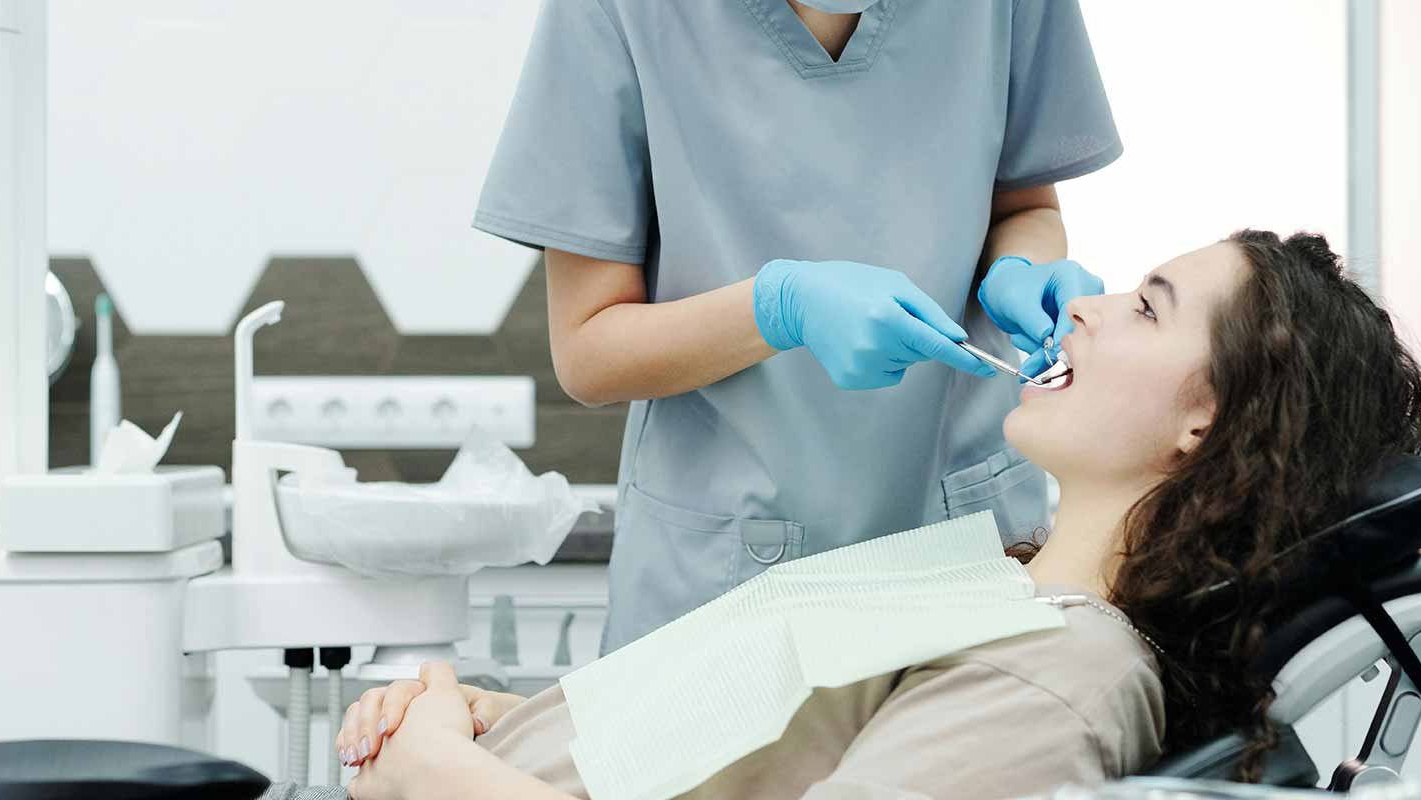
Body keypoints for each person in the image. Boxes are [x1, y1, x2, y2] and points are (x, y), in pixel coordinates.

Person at [262, 230, 1421, 800]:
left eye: (1146, 306)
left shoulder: (1059, 673)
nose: (1083, 305)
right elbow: (740, 746)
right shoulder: (1000, 592)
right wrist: (497, 715)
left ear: (1206, 420)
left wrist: (433, 767)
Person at [472, 0, 1124, 652]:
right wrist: (778, 309)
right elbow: (589, 352)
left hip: (972, 547)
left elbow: (1026, 203)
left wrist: (1022, 267)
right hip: (724, 579)